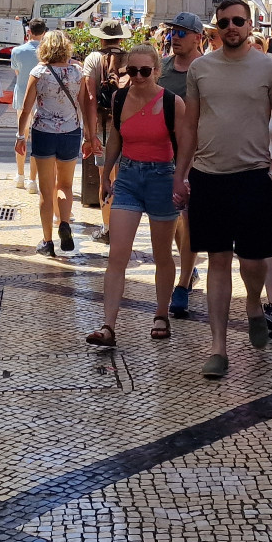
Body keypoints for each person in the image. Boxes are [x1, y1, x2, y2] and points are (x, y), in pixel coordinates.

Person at [173, 0, 272, 379]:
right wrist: (182, 173)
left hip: (254, 176)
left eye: (238, 21)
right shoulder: (201, 69)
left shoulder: (269, 68)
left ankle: (255, 304)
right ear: (215, 28)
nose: (231, 28)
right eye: (223, 22)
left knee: (253, 261)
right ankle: (218, 347)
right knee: (218, 259)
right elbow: (189, 126)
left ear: (250, 24)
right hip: (208, 177)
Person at [87, 46, 186, 347]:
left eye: (145, 71)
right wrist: (106, 175)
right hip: (128, 177)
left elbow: (185, 147)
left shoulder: (173, 103)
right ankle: (108, 326)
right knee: (118, 254)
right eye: (132, 71)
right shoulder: (119, 98)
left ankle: (161, 313)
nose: (139, 77)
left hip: (162, 178)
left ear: (157, 71)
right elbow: (116, 135)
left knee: (162, 254)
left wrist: (181, 181)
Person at [17, 29, 93, 256]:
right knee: (66, 186)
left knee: (46, 188)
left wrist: (21, 135)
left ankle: (47, 241)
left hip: (44, 133)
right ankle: (64, 224)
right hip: (71, 132)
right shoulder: (77, 73)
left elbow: (27, 107)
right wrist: (88, 135)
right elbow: (83, 105)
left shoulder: (39, 72)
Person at [158, 12, 207, 316]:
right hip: (162, 154)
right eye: (173, 31)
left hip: (196, 155)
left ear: (197, 37)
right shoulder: (162, 67)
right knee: (171, 218)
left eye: (182, 32)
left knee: (187, 219)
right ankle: (186, 272)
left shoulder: (207, 70)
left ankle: (182, 285)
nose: (175, 37)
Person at [79, 19, 131, 235]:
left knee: (105, 177)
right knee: (123, 179)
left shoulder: (92, 59)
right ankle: (123, 228)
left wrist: (90, 134)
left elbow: (90, 98)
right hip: (127, 126)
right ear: (120, 37)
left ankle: (107, 227)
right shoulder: (129, 58)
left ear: (101, 38)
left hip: (102, 126)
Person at [10, 20, 45, 191]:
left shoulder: (17, 51)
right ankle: (33, 179)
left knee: (21, 135)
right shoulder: (46, 53)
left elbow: (17, 72)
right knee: (38, 139)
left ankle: (20, 175)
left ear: (28, 31)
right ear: (44, 32)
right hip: (41, 98)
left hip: (22, 96)